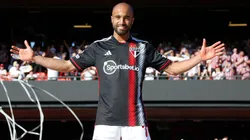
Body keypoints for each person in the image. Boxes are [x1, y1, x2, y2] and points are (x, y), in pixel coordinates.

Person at [10, 2, 225, 140]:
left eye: (126, 17)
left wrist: (199, 58)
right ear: (112, 19)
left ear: (132, 20)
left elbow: (173, 69)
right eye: (118, 17)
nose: (122, 21)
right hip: (105, 124)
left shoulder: (143, 48)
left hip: (136, 124)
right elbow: (67, 66)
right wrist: (35, 57)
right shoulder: (98, 47)